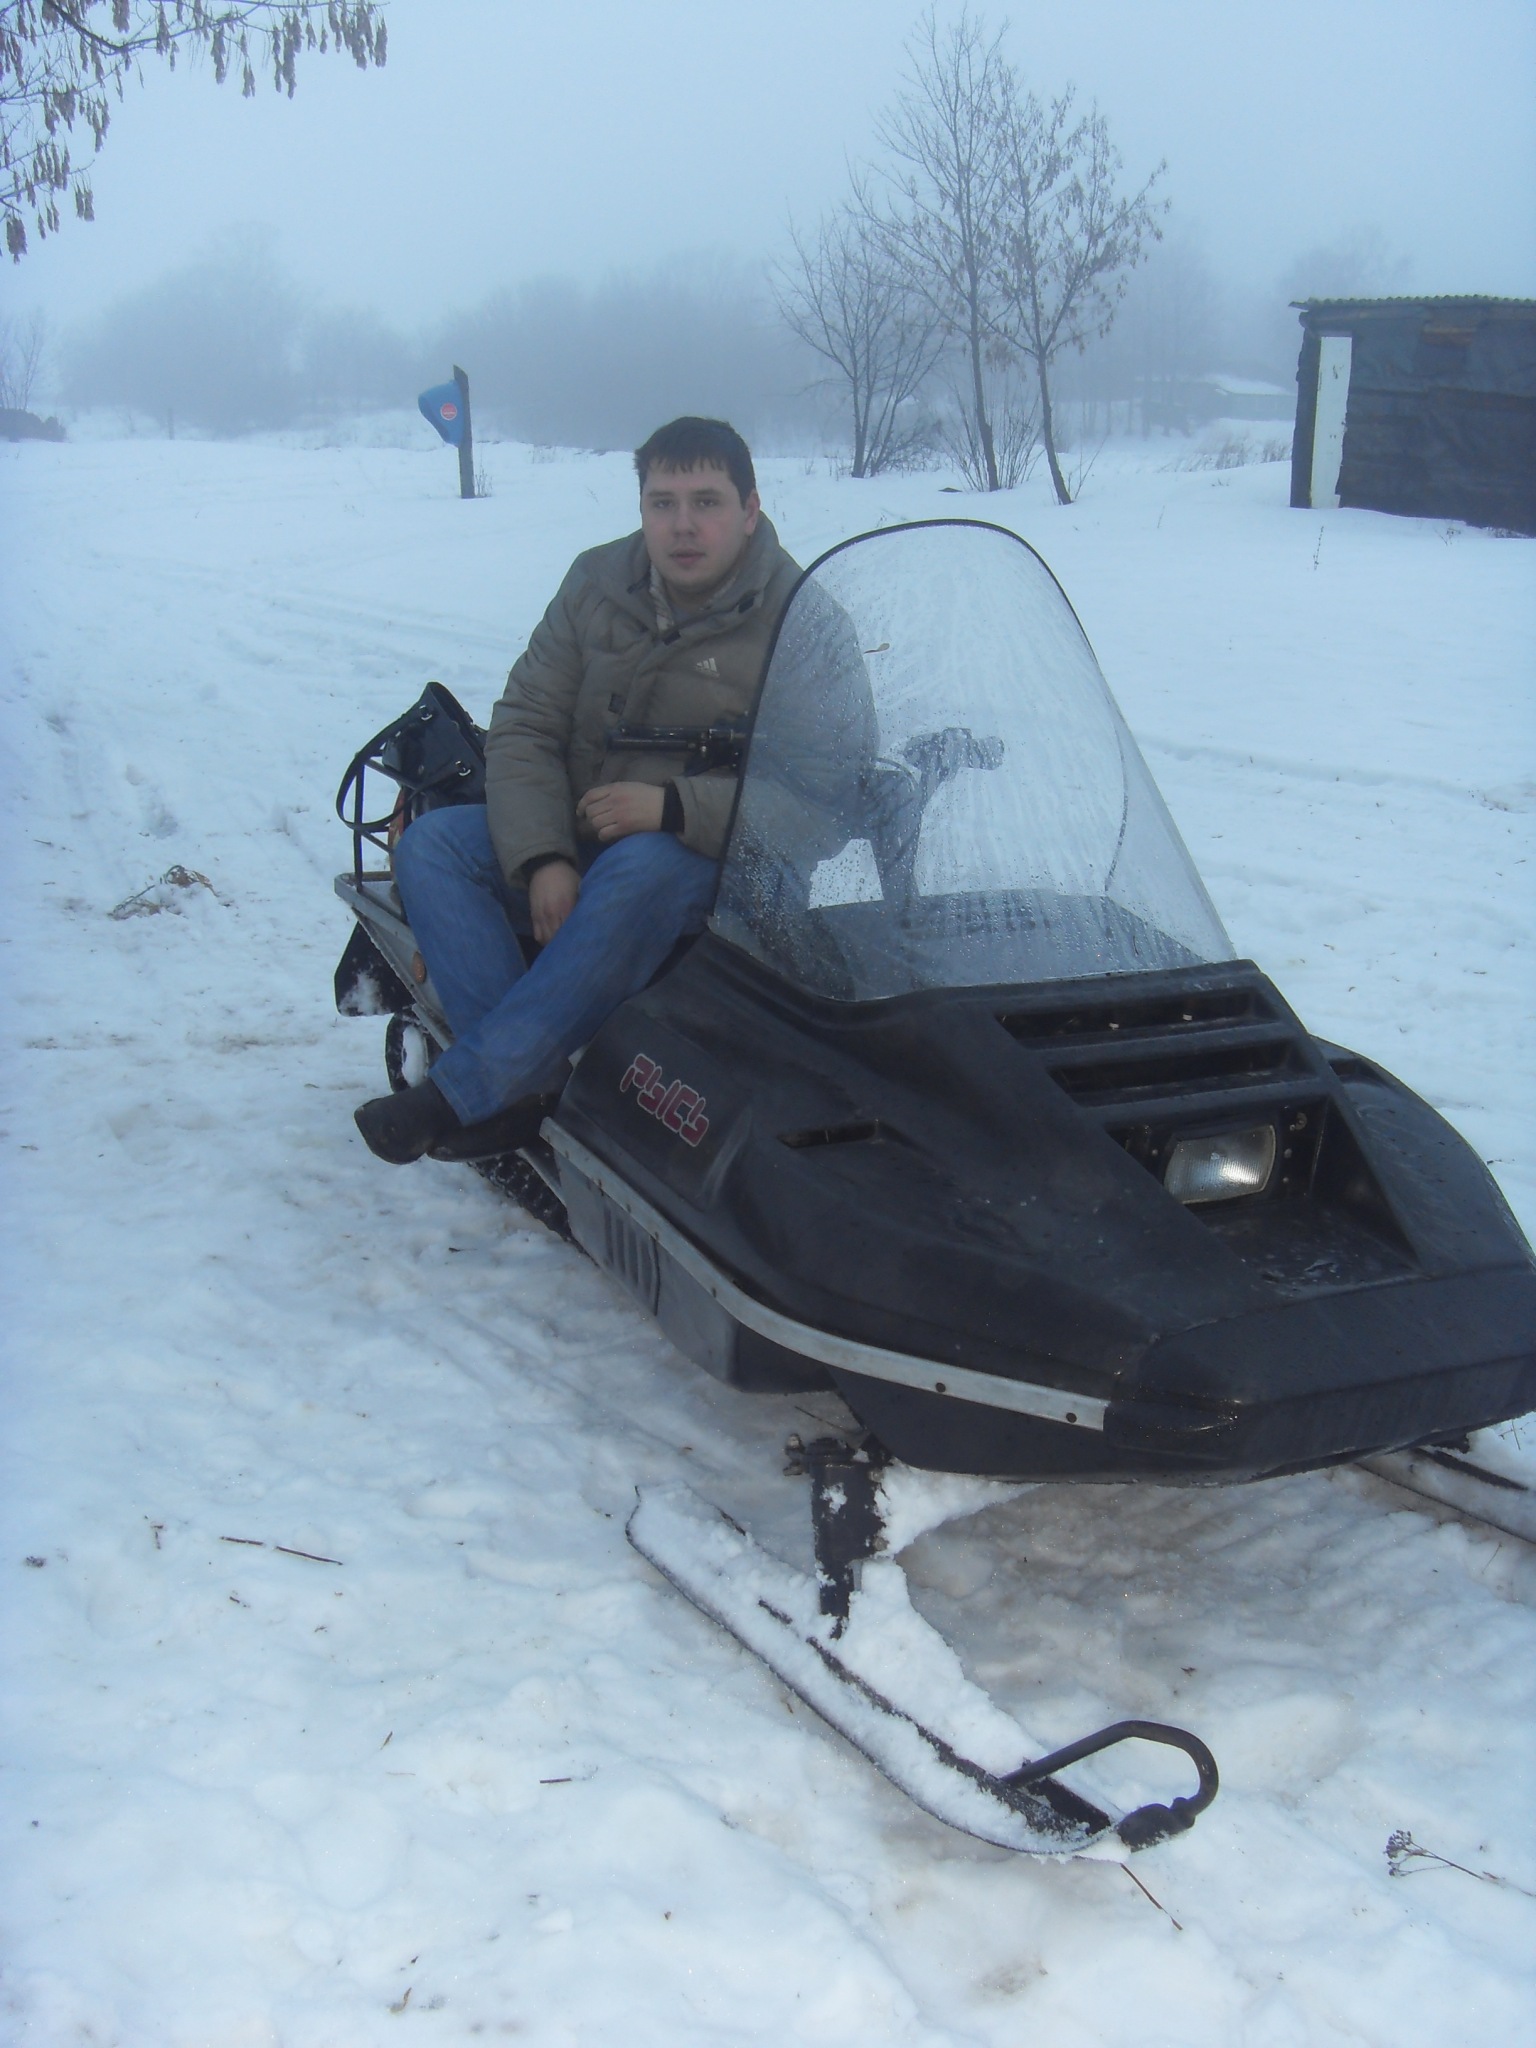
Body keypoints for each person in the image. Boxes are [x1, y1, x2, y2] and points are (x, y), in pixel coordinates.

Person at [354, 416, 801, 1164]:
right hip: (581, 831)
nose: (683, 525)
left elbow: (824, 791)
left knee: (644, 865)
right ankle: (527, 1086)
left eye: (707, 502)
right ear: (642, 508)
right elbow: (526, 724)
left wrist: (673, 807)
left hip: (713, 866)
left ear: (750, 510)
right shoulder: (595, 584)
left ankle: (470, 1088)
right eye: (663, 503)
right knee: (432, 846)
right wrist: (543, 857)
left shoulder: (800, 618)